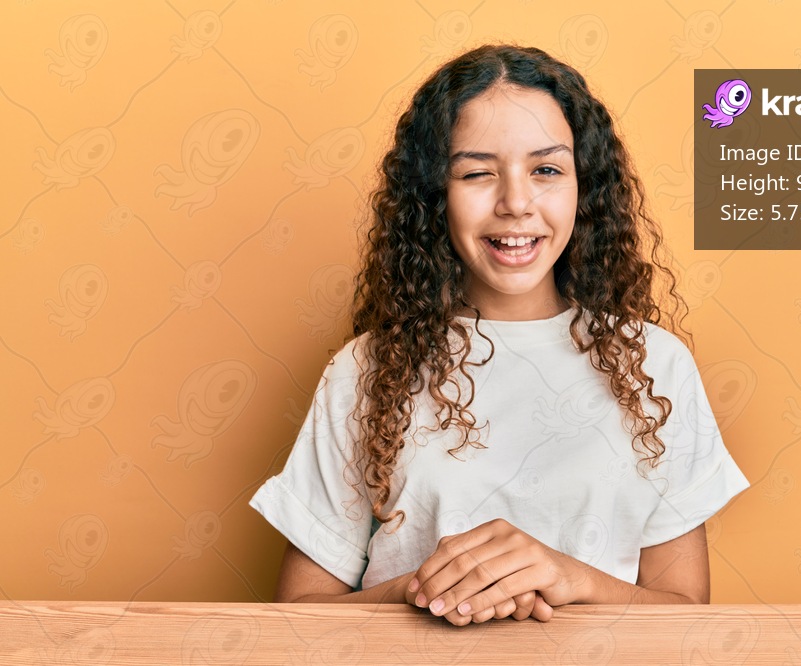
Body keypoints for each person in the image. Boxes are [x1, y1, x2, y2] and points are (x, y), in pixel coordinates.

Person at [250, 43, 749, 626]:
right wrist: (433, 588)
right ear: (436, 196)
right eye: (478, 173)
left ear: (583, 187)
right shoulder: (366, 369)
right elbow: (298, 617)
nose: (516, 203)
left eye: (546, 170)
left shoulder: (654, 365)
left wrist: (570, 576)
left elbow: (687, 615)